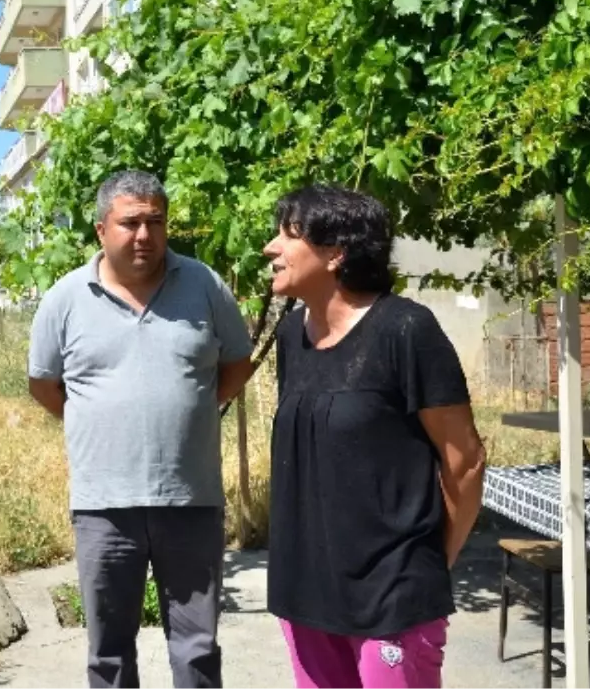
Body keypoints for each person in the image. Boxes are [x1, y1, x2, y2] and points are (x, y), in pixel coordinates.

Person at [27, 169, 254, 689]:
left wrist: (195, 407)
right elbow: (44, 384)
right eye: (130, 223)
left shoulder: (203, 285)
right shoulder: (66, 298)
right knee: (108, 650)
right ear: (101, 229)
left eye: (155, 221)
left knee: (197, 650)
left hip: (191, 499)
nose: (144, 235)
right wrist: (94, 420)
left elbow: (237, 364)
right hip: (103, 506)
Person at [263, 184, 486, 689]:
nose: (271, 248)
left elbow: (465, 462)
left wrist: (428, 563)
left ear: (336, 252)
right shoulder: (291, 336)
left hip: (391, 597)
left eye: (288, 234)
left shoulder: (406, 330)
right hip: (305, 591)